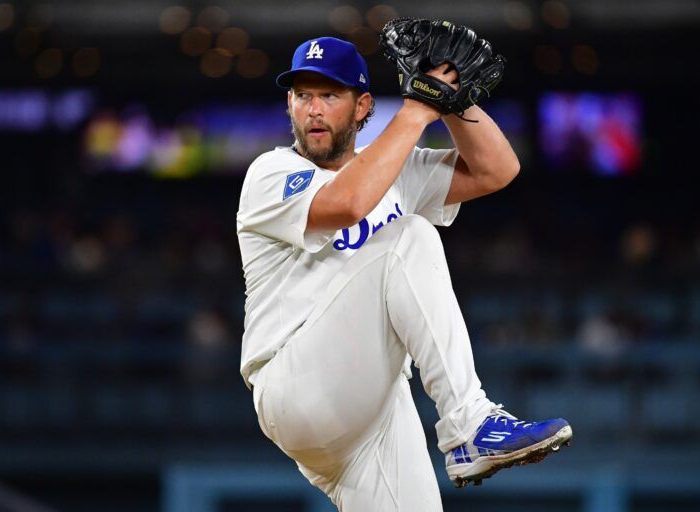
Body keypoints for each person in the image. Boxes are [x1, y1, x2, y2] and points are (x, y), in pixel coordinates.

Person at [236, 36, 572, 511]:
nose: (313, 109)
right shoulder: (269, 172)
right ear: (289, 103)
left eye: (329, 95)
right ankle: (469, 422)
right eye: (303, 95)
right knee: (407, 236)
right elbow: (348, 202)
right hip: (294, 380)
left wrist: (453, 99)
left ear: (362, 106)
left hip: (372, 402)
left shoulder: (394, 169)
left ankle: (469, 425)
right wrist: (417, 109)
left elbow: (498, 169)